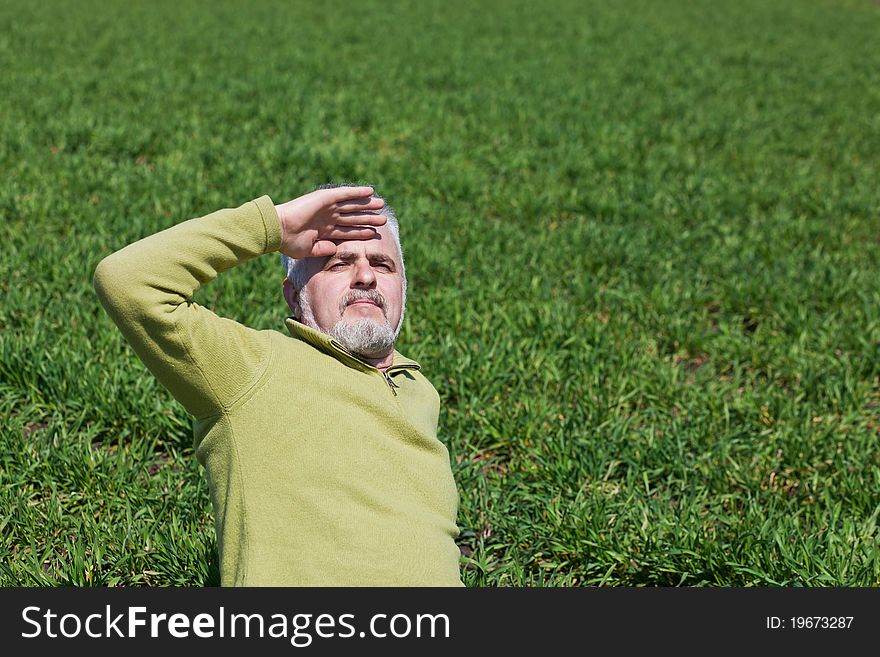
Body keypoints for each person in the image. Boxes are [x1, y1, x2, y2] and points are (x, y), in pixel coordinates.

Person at [93, 185, 463, 586]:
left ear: (403, 291)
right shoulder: (251, 368)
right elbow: (127, 281)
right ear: (293, 295)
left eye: (383, 264)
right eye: (338, 263)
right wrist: (276, 226)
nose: (366, 276)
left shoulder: (421, 392)